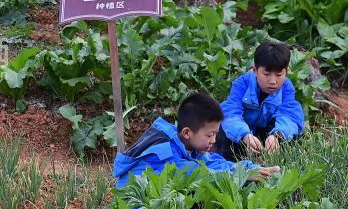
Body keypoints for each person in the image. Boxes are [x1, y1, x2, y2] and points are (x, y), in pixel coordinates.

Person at [114, 92, 279, 189]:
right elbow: (202, 174)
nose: (213, 141)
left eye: (215, 134)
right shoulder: (167, 153)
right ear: (187, 132)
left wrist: (254, 168)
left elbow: (214, 163)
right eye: (209, 135)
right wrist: (244, 175)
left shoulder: (185, 143)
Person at [217, 41, 305, 160]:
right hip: (245, 134)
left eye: (279, 75)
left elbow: (290, 115)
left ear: (286, 72)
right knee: (225, 129)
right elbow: (231, 113)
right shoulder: (242, 84)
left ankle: (275, 161)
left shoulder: (287, 88)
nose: (273, 81)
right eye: (266, 74)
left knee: (292, 135)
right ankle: (229, 163)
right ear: (255, 70)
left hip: (268, 135)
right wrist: (244, 135)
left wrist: (277, 135)